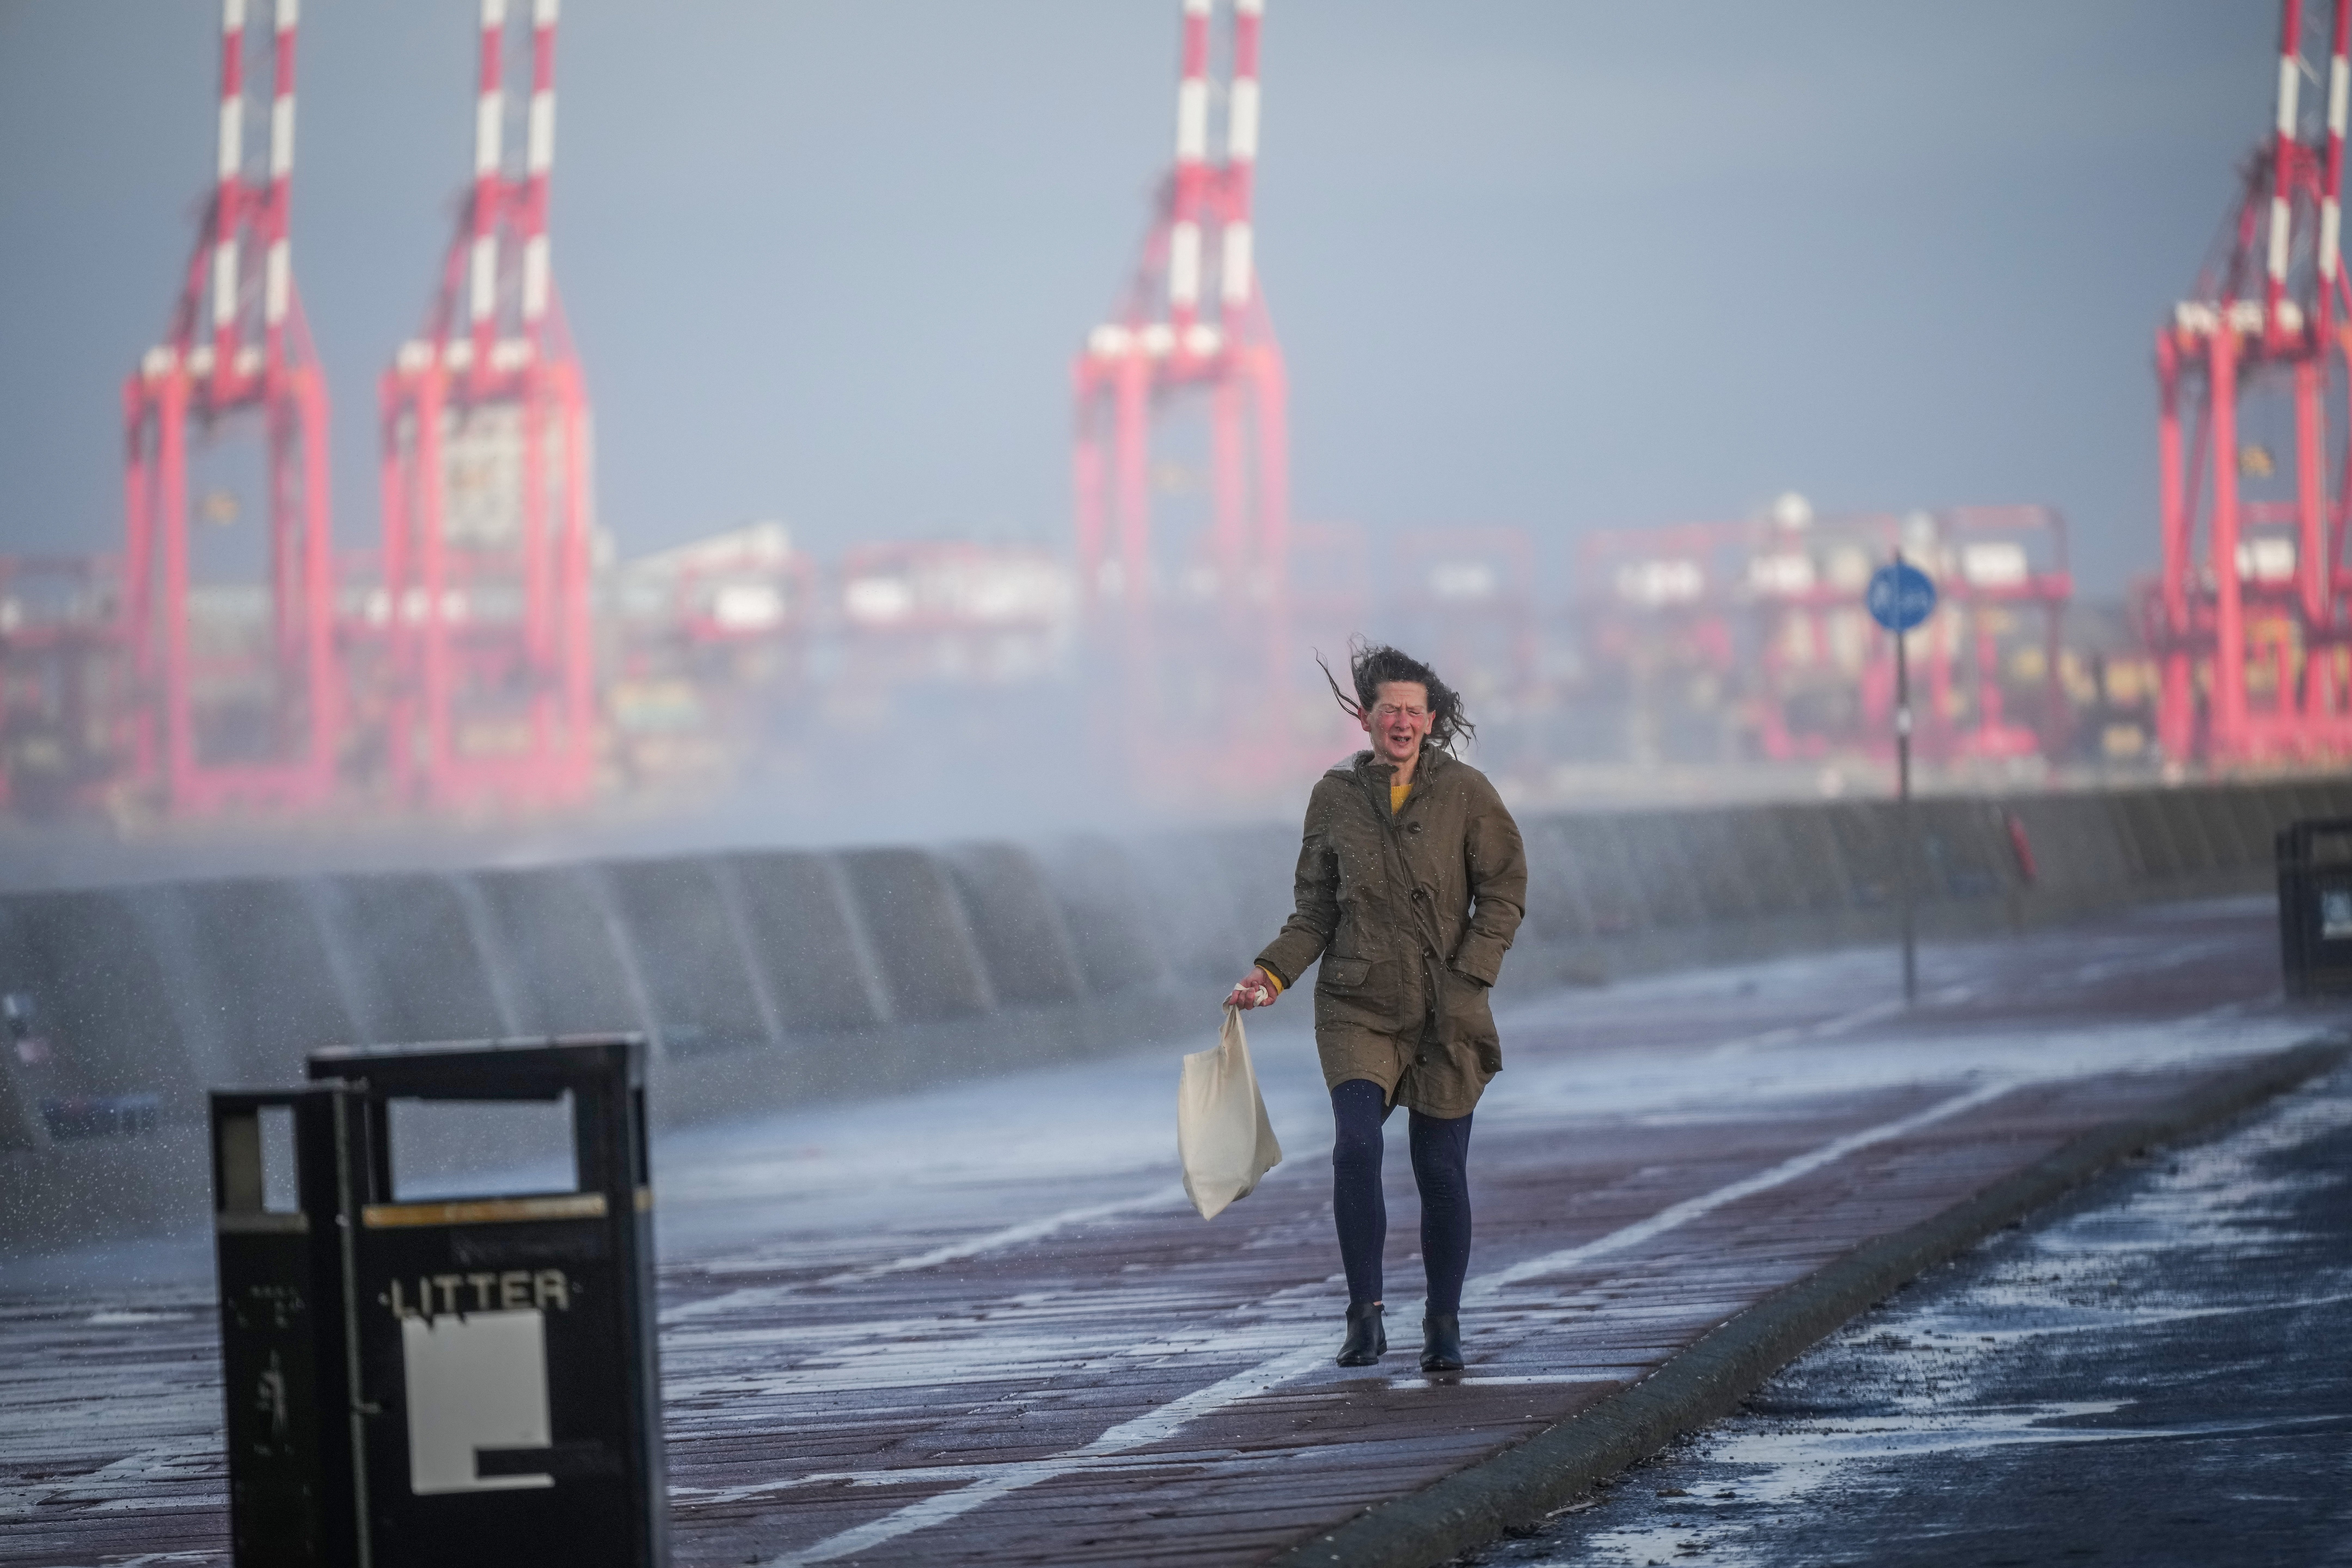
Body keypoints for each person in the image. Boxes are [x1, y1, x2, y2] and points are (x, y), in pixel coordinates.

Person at [1227, 642, 1526, 1372]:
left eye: (1413, 711)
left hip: (1447, 1008)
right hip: (1357, 1005)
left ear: (1431, 720)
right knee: (1356, 1146)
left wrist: (1472, 976)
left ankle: (1444, 1324)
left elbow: (1504, 893)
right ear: (1365, 718)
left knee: (1441, 1171)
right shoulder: (1333, 798)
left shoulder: (1468, 793)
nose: (1401, 721)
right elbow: (1315, 912)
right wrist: (1270, 975)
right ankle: (1364, 1315)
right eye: (1389, 709)